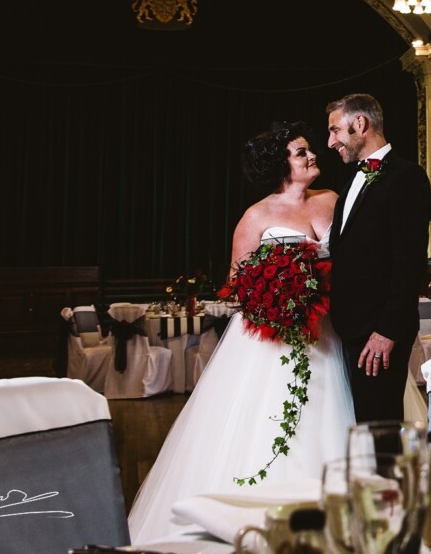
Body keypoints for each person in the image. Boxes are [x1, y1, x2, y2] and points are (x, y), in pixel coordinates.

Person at [126, 121, 353, 544]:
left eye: (309, 150)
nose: (312, 156)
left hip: (328, 329)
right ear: (281, 165)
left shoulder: (332, 201)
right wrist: (277, 294)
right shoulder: (257, 215)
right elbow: (236, 282)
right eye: (301, 152)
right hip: (273, 339)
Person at [326, 93, 431, 422]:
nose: (330, 142)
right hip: (351, 328)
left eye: (334, 130)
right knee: (363, 424)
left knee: (380, 428)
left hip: (378, 331)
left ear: (360, 124)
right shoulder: (351, 182)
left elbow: (409, 263)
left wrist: (386, 331)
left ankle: (388, 477)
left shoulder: (406, 177)